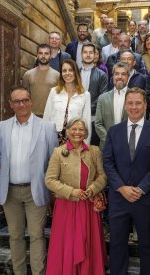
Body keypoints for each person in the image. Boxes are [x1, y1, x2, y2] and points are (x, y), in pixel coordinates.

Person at [103, 87, 150, 275]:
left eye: (138, 103)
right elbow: (107, 162)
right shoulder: (114, 132)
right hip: (119, 198)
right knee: (117, 245)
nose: (134, 107)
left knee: (146, 245)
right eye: (130, 103)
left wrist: (141, 189)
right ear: (125, 105)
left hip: (145, 199)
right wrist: (121, 187)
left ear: (145, 105)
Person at [0, 85, 58, 275]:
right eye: (17, 101)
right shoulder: (1, 127)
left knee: (37, 236)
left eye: (24, 100)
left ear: (31, 101)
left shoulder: (47, 127)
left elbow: (52, 161)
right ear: (11, 104)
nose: (21, 104)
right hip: (10, 191)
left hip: (35, 190)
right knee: (15, 237)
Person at [45, 117, 107, 275]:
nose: (77, 132)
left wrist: (92, 188)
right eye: (74, 129)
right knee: (67, 245)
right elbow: (50, 180)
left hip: (88, 206)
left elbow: (103, 176)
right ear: (67, 131)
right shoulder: (58, 152)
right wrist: (71, 192)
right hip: (66, 207)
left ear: (86, 133)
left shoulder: (94, 151)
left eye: (81, 129)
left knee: (88, 243)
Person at [43, 59, 92, 144]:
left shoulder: (85, 95)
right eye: (64, 71)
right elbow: (47, 118)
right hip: (54, 138)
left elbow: (87, 121)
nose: (67, 73)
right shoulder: (54, 92)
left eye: (70, 70)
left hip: (75, 138)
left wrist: (86, 145)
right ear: (61, 74)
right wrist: (44, 140)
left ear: (75, 72)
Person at [95, 62, 129, 150]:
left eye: (123, 74)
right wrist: (109, 139)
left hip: (128, 146)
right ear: (113, 76)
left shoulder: (136, 97)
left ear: (128, 77)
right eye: (117, 74)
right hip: (107, 146)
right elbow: (98, 124)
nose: (120, 77)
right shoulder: (102, 98)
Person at [23, 43, 60, 117]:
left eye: (46, 53)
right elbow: (24, 97)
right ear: (37, 55)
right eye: (40, 53)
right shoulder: (28, 75)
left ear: (50, 55)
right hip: (32, 116)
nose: (43, 56)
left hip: (51, 116)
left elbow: (60, 98)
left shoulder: (57, 75)